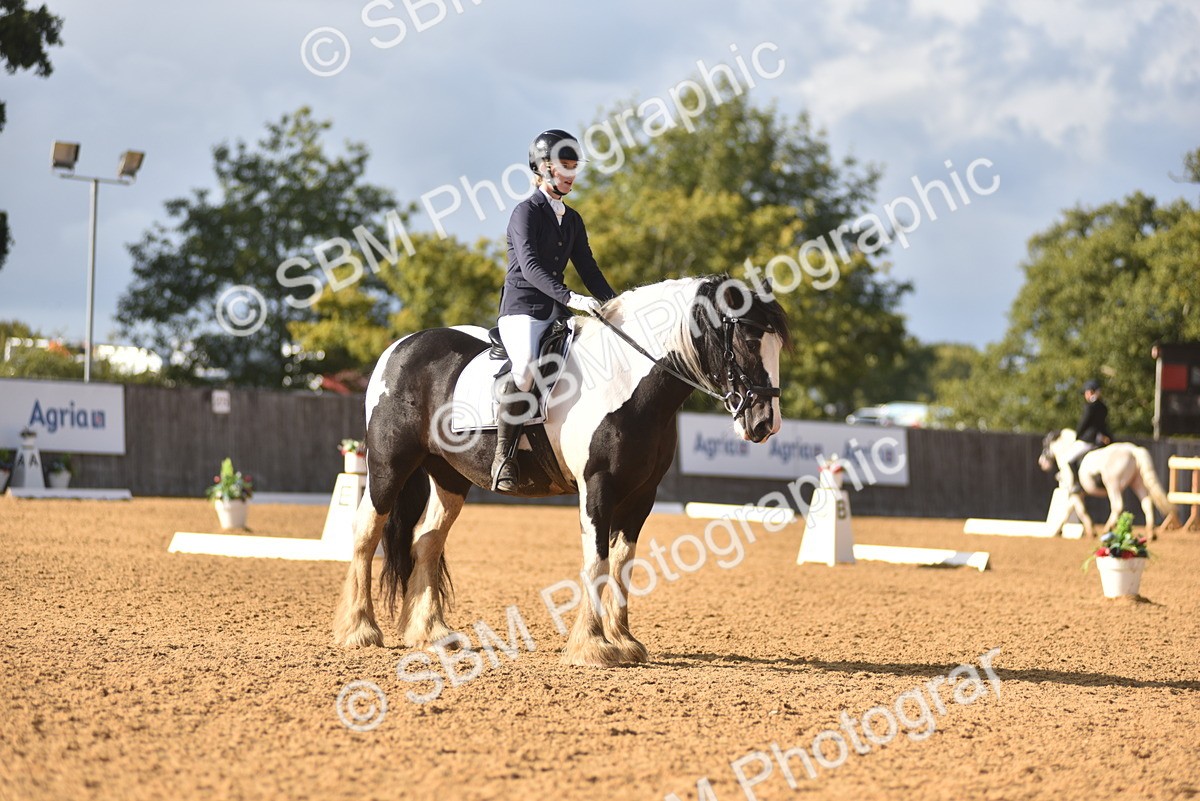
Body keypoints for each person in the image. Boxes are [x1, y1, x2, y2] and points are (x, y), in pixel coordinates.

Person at [490, 129, 617, 493]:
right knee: (527, 367)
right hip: (523, 310)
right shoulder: (524, 213)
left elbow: (589, 268)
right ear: (544, 167)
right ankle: (504, 455)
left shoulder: (572, 219)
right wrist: (572, 298)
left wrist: (615, 305)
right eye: (565, 165)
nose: (571, 173)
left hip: (557, 311)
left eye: (575, 165)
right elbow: (530, 268)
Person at [1064, 378, 1113, 493]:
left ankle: (1077, 484)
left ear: (1091, 392)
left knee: (1070, 458)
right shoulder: (1103, 407)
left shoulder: (1090, 406)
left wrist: (1078, 435)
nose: (1085, 395)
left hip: (1089, 439)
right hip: (1100, 438)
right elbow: (1103, 425)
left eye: (1086, 392)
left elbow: (1084, 423)